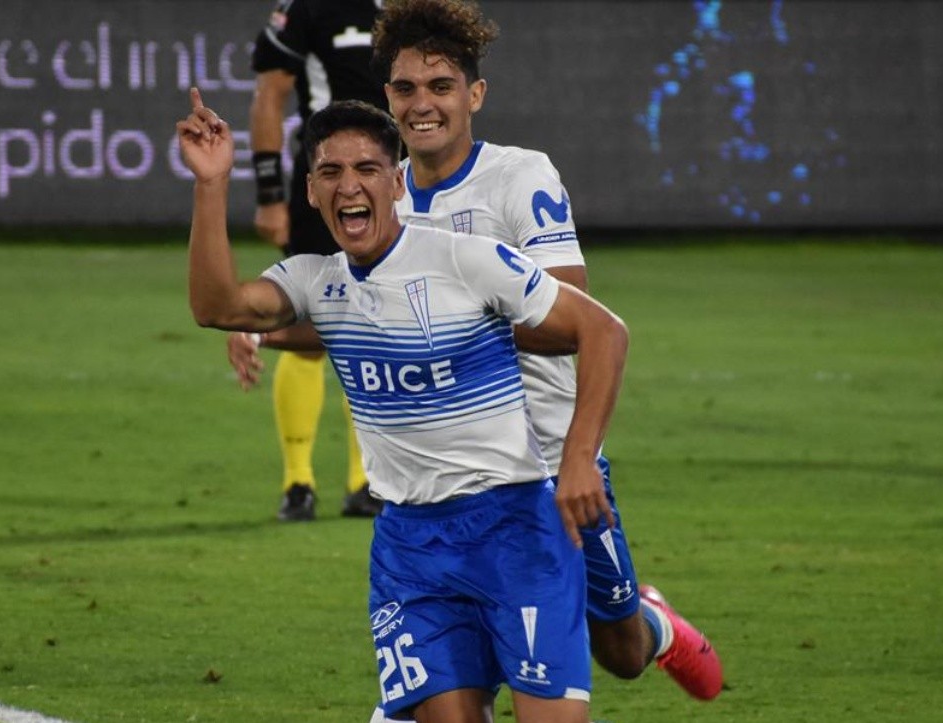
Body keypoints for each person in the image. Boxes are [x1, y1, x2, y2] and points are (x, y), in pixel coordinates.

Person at [235, 0, 725, 712]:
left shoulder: (518, 178)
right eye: (404, 89)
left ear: (474, 95)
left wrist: (454, 318)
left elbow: (570, 312)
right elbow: (364, 312)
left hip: (553, 464)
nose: (421, 105)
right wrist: (268, 328)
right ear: (386, 98)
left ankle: (655, 622)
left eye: (440, 87)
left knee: (617, 651)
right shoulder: (378, 194)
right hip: (449, 490)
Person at [180, 95, 630, 723]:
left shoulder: (464, 259)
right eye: (331, 173)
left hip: (517, 531)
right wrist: (211, 183)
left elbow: (604, 332)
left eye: (367, 169)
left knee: (612, 665)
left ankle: (649, 623)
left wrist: (578, 460)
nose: (349, 186)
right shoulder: (316, 282)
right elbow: (217, 307)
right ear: (311, 191)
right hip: (412, 551)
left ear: (396, 183)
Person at [248, 0, 388, 521]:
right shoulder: (305, 7)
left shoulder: (406, 8)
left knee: (381, 327)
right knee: (307, 327)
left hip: (394, 186)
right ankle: (298, 483)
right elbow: (271, 95)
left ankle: (367, 481)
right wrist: (269, 194)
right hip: (325, 183)